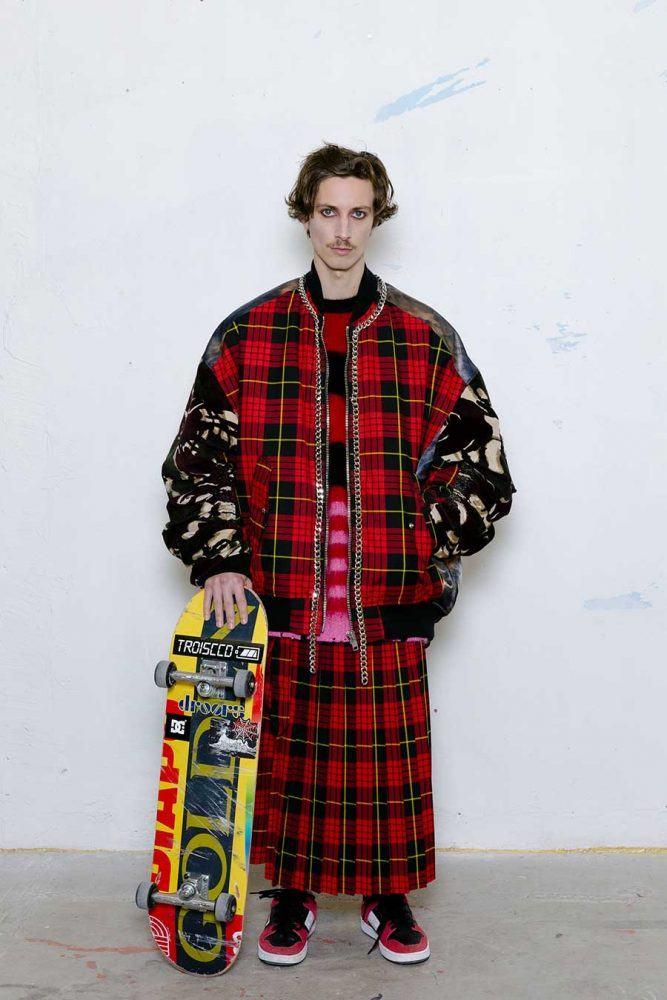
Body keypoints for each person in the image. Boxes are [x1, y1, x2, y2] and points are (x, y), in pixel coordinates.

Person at [160, 142, 517, 967]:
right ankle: (290, 897)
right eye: (328, 212)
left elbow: (483, 464)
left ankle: (387, 900)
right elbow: (197, 458)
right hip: (278, 587)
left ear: (377, 218)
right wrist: (221, 557)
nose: (342, 231)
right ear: (304, 215)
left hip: (385, 593)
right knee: (286, 759)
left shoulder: (424, 336)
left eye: (358, 213)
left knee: (381, 770)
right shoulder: (247, 332)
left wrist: (420, 541)